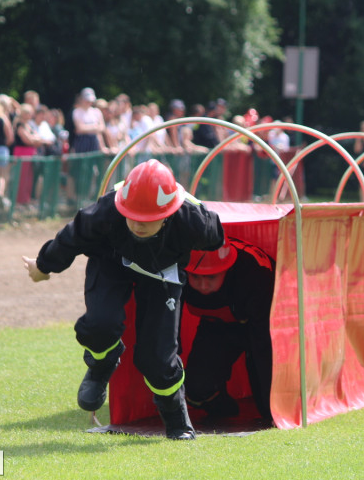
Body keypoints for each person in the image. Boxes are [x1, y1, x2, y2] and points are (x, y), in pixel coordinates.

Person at [22, 159, 224, 440]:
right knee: (99, 325)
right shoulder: (105, 210)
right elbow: (71, 238)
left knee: (157, 359)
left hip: (162, 274)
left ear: (169, 214)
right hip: (111, 261)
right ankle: (101, 365)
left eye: (148, 220)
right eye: (132, 217)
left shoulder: (193, 221)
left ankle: (177, 419)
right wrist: (42, 266)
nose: (139, 225)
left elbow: (217, 237)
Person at [182, 237, 275, 421]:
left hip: (261, 325)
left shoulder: (256, 274)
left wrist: (273, 412)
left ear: (227, 268)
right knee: (195, 388)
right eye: (196, 277)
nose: (203, 286)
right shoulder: (176, 272)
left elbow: (264, 345)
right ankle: (223, 408)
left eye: (211, 277)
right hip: (216, 327)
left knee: (267, 405)